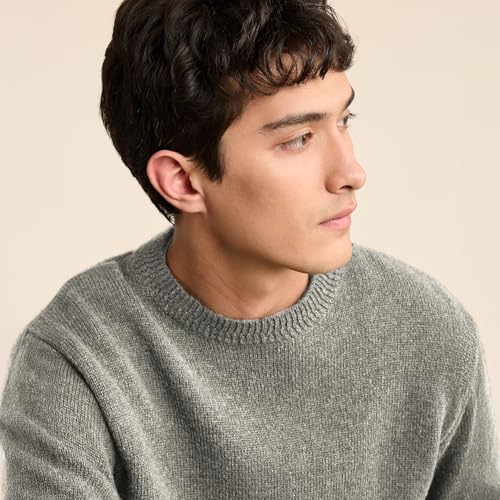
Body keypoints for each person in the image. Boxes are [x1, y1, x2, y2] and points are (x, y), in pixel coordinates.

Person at [1, 0, 499, 498]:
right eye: (299, 139)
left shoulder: (428, 332)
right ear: (182, 182)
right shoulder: (77, 358)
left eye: (345, 120)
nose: (351, 173)